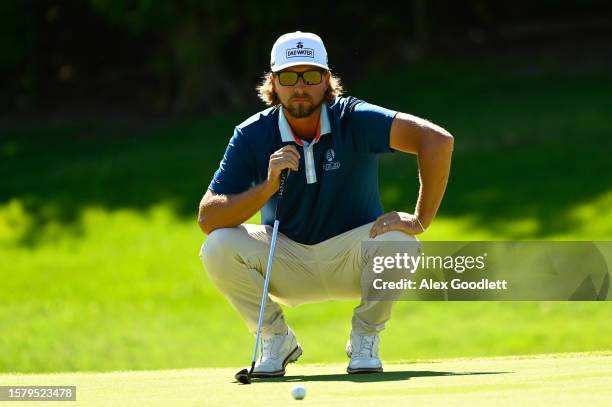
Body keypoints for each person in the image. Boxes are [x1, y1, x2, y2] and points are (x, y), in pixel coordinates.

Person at [198, 31, 453, 377]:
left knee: (402, 243)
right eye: (289, 77)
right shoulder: (252, 134)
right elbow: (208, 217)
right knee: (217, 246)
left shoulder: (353, 118)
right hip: (286, 258)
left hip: (353, 258)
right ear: (273, 82)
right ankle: (275, 339)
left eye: (311, 76)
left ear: (327, 80)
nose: (300, 87)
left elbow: (436, 140)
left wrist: (421, 219)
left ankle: (365, 339)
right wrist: (267, 187)